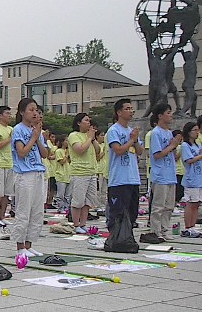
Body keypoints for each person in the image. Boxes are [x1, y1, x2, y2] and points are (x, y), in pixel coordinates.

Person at [11, 98, 48, 257]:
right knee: (24, 211)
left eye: (36, 110)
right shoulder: (18, 129)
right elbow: (21, 152)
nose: (34, 113)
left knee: (37, 211)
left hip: (38, 172)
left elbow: (45, 154)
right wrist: (33, 137)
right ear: (21, 112)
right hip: (24, 174)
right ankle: (20, 247)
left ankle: (29, 244)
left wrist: (38, 136)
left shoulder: (37, 130)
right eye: (30, 110)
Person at [106, 99, 143, 231]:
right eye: (127, 108)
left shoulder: (132, 131)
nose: (131, 111)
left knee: (132, 213)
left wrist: (136, 140)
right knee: (118, 213)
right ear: (119, 112)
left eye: (132, 109)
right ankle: (116, 237)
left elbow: (139, 151)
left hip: (133, 177)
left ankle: (127, 237)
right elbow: (118, 150)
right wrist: (131, 140)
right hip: (119, 179)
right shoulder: (113, 130)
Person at [146, 103, 181, 242]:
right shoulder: (156, 133)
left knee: (169, 206)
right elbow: (157, 154)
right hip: (160, 175)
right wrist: (172, 146)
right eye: (168, 112)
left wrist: (175, 147)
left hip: (170, 173)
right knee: (158, 206)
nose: (170, 115)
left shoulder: (168, 133)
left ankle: (165, 229)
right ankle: (155, 231)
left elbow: (172, 154)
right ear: (160, 116)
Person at [67, 113, 100, 233]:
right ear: (78, 123)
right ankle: (76, 224)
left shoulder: (89, 137)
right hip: (79, 172)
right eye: (86, 120)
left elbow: (98, 151)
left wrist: (93, 138)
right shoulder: (73, 135)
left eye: (89, 120)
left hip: (91, 172)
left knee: (88, 201)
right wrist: (89, 138)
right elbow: (80, 150)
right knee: (78, 200)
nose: (89, 122)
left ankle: (83, 223)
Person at [180, 122, 202, 237]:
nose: (197, 132)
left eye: (198, 130)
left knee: (197, 203)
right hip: (191, 178)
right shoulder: (185, 145)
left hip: (199, 178)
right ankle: (187, 227)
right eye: (195, 130)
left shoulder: (198, 145)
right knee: (190, 203)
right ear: (189, 132)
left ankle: (193, 226)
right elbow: (189, 160)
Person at [54, 135, 71, 213]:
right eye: (66, 140)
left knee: (68, 194)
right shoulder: (58, 151)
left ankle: (67, 207)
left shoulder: (69, 151)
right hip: (61, 175)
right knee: (61, 194)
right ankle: (60, 208)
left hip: (68, 174)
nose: (67, 142)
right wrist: (67, 154)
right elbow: (61, 162)